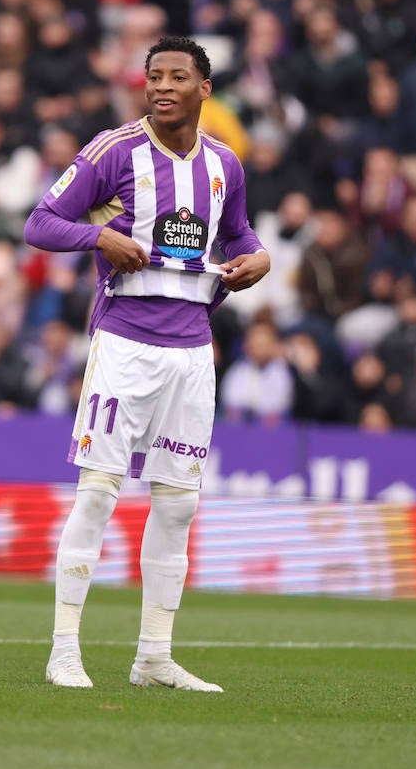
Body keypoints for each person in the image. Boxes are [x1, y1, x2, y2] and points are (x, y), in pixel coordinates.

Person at [24, 36, 270, 691]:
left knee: (179, 505)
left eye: (177, 76)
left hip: (193, 350)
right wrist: (98, 235)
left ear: (204, 90)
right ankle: (64, 650)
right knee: (100, 492)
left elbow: (239, 233)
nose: (162, 86)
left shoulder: (223, 164)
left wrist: (261, 257)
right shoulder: (113, 150)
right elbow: (40, 222)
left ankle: (153, 656)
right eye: (153, 76)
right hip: (125, 342)